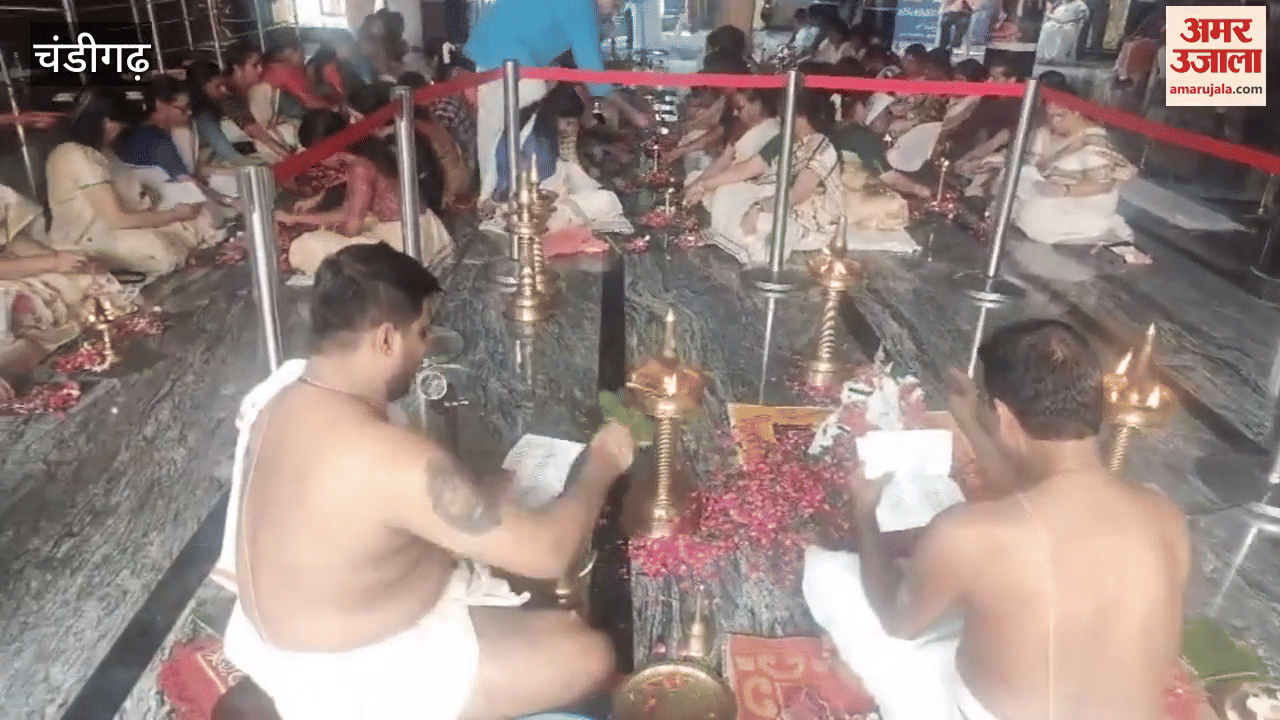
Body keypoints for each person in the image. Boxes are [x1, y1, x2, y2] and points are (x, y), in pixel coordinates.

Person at [217, 242, 633, 720]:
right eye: (422, 331)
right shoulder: (382, 454)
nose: (425, 347)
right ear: (386, 340)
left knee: (549, 622)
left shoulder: (279, 399)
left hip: (285, 638)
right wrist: (602, 462)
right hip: (345, 679)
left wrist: (472, 503)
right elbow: (548, 552)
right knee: (587, 654)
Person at [805, 318, 1190, 720]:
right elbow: (1031, 499)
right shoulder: (1164, 512)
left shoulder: (968, 534)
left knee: (829, 573)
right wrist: (970, 420)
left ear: (1004, 416)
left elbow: (898, 622)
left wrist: (865, 512)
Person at [465, 0, 651, 205]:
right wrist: (633, 114)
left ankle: (491, 204)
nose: (614, 12)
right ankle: (507, 210)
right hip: (514, 67)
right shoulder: (583, 7)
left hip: (492, 58)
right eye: (615, 5)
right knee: (515, 149)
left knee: (494, 144)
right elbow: (592, 72)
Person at [45, 88, 210, 278]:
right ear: (106, 122)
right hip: (89, 238)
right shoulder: (75, 155)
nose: (119, 134)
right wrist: (174, 215)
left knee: (196, 224)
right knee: (163, 250)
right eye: (120, 127)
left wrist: (168, 211)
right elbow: (117, 219)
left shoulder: (102, 154)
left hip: (118, 228)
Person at [277, 110, 453, 277]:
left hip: (405, 243)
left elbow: (351, 227)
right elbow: (348, 212)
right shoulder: (368, 151)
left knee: (306, 244)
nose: (315, 160)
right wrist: (296, 219)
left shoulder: (360, 166)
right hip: (424, 229)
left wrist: (326, 233)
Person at [0, 182, 135, 384]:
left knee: (81, 272)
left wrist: (66, 261)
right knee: (16, 305)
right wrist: (52, 262)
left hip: (14, 261)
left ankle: (94, 323)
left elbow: (15, 239)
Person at [695, 88, 842, 267]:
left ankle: (755, 255)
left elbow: (797, 195)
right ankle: (742, 239)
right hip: (775, 196)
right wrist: (703, 185)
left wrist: (758, 207)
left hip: (807, 215)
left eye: (787, 115)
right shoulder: (786, 137)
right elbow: (749, 168)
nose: (782, 120)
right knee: (727, 192)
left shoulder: (820, 146)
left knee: (766, 224)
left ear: (802, 116)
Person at [1011, 92, 1139, 253]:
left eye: (1060, 116)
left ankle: (1106, 228)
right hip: (1056, 192)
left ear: (1076, 112)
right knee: (1016, 180)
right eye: (1050, 116)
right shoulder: (1049, 133)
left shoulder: (1094, 139)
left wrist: (1064, 190)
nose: (1054, 121)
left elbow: (1103, 185)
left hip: (1088, 199)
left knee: (1034, 216)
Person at [115, 76, 239, 212]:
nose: (189, 113)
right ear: (160, 104)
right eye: (183, 108)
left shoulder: (132, 132)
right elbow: (186, 183)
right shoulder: (157, 141)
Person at [827, 90, 930, 231]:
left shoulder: (841, 128)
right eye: (886, 114)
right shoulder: (861, 136)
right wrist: (919, 189)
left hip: (832, 199)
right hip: (845, 205)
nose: (890, 119)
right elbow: (890, 178)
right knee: (897, 204)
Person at [684, 87, 780, 195]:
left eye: (740, 108)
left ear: (758, 105)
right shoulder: (739, 128)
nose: (735, 113)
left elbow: (748, 170)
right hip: (727, 178)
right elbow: (723, 161)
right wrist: (696, 183)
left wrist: (703, 185)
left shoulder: (774, 130)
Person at [215, 42, 298, 162]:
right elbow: (254, 130)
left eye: (260, 65)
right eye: (254, 66)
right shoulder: (225, 93)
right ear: (237, 68)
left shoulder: (253, 89)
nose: (260, 69)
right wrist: (285, 154)